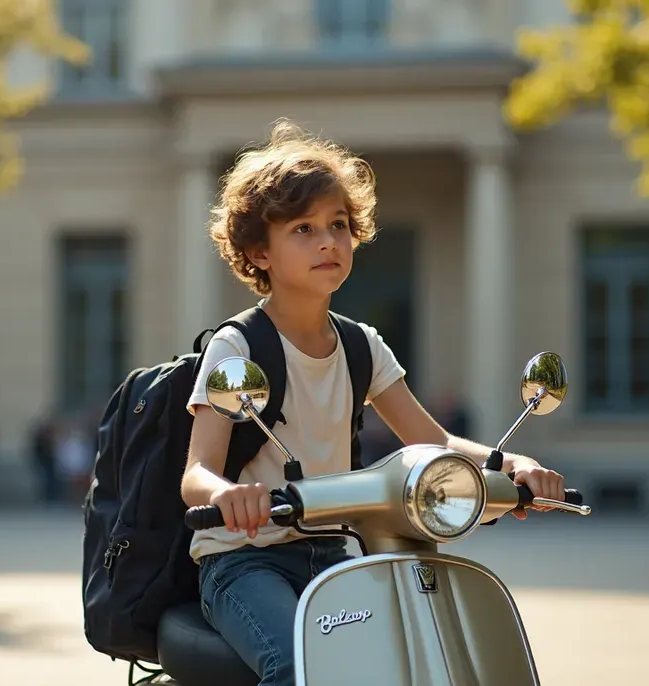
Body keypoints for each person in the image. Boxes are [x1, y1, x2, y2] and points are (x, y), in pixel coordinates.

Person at [178, 119, 568, 686]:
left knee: (405, 660)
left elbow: (433, 443)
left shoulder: (361, 345)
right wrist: (228, 495)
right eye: (304, 229)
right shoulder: (237, 346)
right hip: (245, 559)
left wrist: (516, 466)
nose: (328, 241)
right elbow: (197, 472)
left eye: (338, 225)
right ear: (260, 252)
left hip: (337, 552)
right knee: (300, 668)